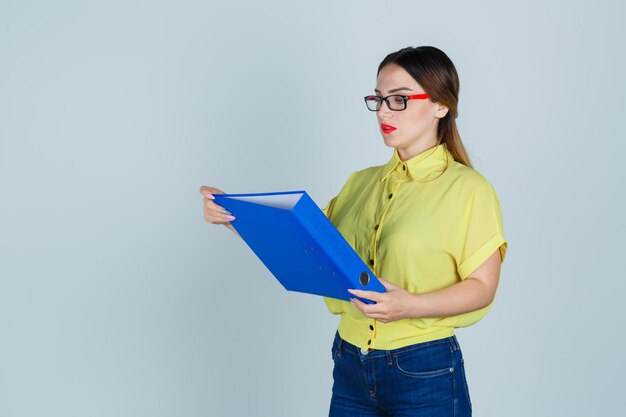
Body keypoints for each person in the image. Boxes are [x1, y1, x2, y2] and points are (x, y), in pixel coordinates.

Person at [200, 45, 507, 417]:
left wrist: (410, 305)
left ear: (441, 105)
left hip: (424, 367)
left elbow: (482, 288)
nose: (383, 112)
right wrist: (231, 214)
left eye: (399, 100)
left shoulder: (468, 189)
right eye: (378, 100)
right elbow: (304, 242)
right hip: (350, 361)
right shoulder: (360, 183)